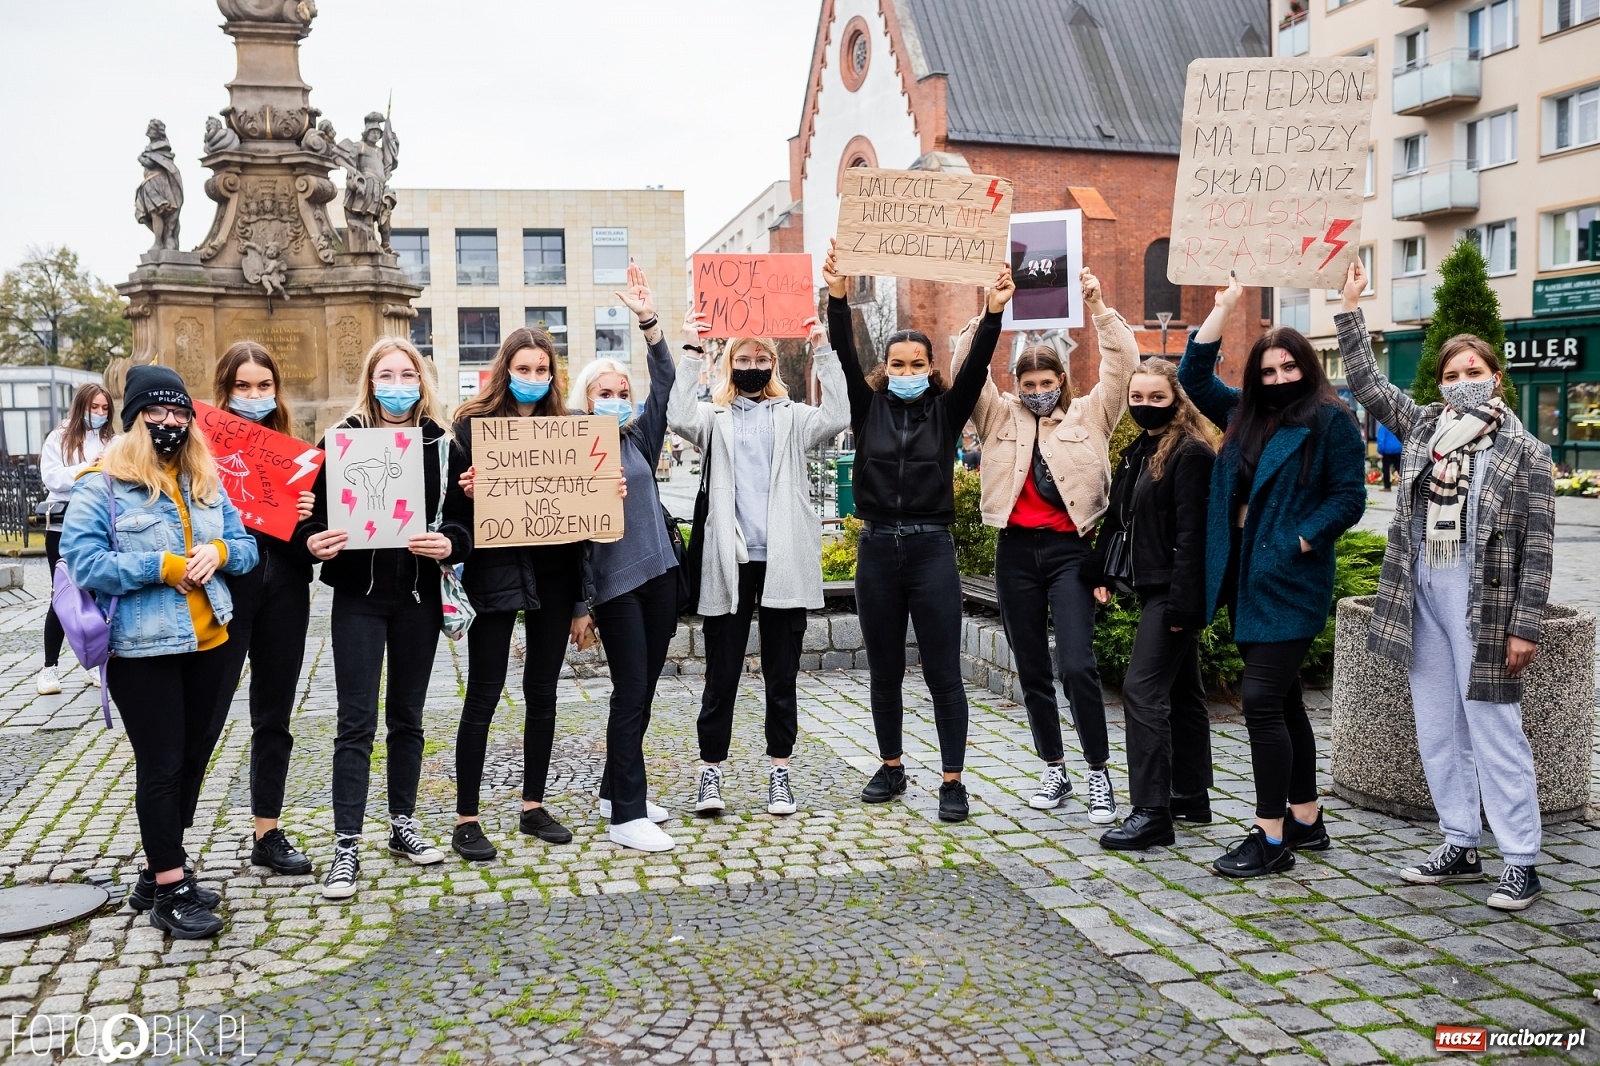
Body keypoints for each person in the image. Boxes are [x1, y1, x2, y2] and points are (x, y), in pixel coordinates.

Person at [1336, 260, 1552, 911]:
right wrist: (1349, 308)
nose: (1462, 384)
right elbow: (1368, 384)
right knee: (1437, 726)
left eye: (1473, 374)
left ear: (1496, 379)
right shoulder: (1425, 428)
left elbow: (1538, 551)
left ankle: (1520, 859)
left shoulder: (1526, 453)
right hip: (1422, 596)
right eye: (1451, 375)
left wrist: (1525, 626)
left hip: (1484, 605)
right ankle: (1459, 840)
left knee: (1494, 728)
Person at [60, 365, 259, 938]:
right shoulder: (102, 485)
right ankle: (171, 890)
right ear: (134, 418)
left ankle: (155, 868)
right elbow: (86, 563)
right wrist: (161, 566)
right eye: (157, 413)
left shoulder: (203, 477)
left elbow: (246, 549)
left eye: (179, 414)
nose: (170, 423)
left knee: (192, 758)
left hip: (210, 640)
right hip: (143, 650)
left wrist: (219, 552)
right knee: (163, 764)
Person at [1179, 272, 1365, 878]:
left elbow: (1349, 497)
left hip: (1289, 577)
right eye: (1268, 370)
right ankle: (1307, 817)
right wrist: (1226, 307)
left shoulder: (1330, 419)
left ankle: (1270, 835)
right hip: (1242, 576)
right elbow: (1193, 376)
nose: (1280, 378)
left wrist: (1299, 539)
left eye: (1289, 367)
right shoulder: (1242, 412)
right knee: (1283, 702)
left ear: (1306, 367)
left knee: (1258, 701)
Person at [822, 238, 1015, 823]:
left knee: (941, 671)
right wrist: (837, 297)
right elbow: (842, 349)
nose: (907, 372)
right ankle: (891, 766)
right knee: (883, 668)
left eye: (917, 364)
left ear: (930, 368)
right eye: (897, 363)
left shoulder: (946, 411)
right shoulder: (867, 406)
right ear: (887, 368)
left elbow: (979, 361)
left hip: (932, 549)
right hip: (877, 548)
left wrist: (994, 311)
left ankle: (952, 780)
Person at [955, 269, 1138, 824]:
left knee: (1078, 665)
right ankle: (1054, 768)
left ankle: (1098, 771)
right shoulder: (997, 415)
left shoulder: (1089, 415)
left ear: (1061, 378)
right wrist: (988, 308)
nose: (1038, 392)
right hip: (1015, 553)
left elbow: (1122, 369)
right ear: (1017, 384)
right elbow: (968, 368)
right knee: (1032, 666)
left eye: (1046, 382)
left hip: (1070, 554)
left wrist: (1100, 308)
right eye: (1028, 384)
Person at [294, 338, 472, 899]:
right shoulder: (340, 442)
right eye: (386, 375)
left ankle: (403, 825)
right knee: (355, 721)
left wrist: (449, 543)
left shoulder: (445, 447)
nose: (398, 384)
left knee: (408, 717)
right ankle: (346, 843)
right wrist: (312, 542)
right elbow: (309, 518)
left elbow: (466, 523)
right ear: (370, 382)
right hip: (358, 601)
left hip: (417, 600)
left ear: (423, 380)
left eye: (407, 374)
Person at [669, 312, 849, 816]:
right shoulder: (714, 418)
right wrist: (690, 350)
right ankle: (711, 772)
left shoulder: (793, 417)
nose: (752, 366)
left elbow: (838, 416)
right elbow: (678, 415)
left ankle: (780, 772)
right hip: (730, 560)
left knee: (782, 673)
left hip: (782, 559)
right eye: (743, 359)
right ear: (730, 364)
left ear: (773, 364)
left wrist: (823, 350)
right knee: (720, 673)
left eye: (761, 358)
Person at [447, 327, 598, 860]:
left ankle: (533, 806)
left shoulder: (572, 429)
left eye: (541, 370)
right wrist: (467, 494)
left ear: (552, 376)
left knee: (544, 693)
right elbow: (452, 520)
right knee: (483, 694)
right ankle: (467, 817)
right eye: (523, 369)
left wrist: (583, 601)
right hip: (495, 574)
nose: (532, 379)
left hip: (555, 576)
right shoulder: (471, 428)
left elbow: (585, 527)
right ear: (504, 370)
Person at [574, 259, 682, 853]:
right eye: (604, 393)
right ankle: (627, 817)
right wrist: (579, 603)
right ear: (585, 400)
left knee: (644, 688)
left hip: (659, 574)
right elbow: (564, 535)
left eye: (621, 393)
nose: (615, 400)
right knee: (630, 689)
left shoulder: (639, 437)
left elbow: (664, 382)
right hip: (612, 587)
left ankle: (618, 790)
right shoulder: (566, 449)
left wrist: (648, 322)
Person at [1088, 359, 1217, 849]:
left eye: (1156, 397)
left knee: (1142, 692)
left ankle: (1151, 812)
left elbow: (1194, 536)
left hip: (1173, 592)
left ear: (1176, 399)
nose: (1144, 405)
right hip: (1155, 587)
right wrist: (1099, 571)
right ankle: (1189, 794)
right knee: (1183, 692)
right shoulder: (1139, 450)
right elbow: (1118, 517)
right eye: (1137, 397)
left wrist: (1186, 606)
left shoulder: (1191, 453)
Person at [208, 342, 318, 877]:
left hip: (286, 594)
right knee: (201, 716)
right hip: (224, 592)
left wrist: (305, 520)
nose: (253, 396)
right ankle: (168, 847)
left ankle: (267, 831)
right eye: (242, 386)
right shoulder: (199, 455)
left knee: (273, 714)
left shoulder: (295, 456)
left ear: (277, 391)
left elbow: (309, 548)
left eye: (263, 386)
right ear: (224, 390)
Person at [38, 383, 115, 695]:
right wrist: (88, 468)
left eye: (104, 408)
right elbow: (52, 477)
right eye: (93, 407)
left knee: (98, 593)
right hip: (62, 525)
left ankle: (96, 664)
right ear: (81, 406)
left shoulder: (113, 439)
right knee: (64, 594)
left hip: (99, 525)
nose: (98, 414)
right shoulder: (60, 436)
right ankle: (49, 668)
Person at [1376, 420, 1402, 492]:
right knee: (1400, 468)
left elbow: (1381, 439)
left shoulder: (1383, 426)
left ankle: (1387, 487)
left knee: (1386, 469)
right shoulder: (1397, 425)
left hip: (1387, 450)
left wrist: (1380, 451)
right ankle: (1405, 485)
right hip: (1398, 449)